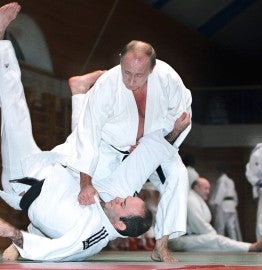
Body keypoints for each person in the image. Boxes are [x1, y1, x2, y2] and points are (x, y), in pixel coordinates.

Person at [0, 3, 188, 261]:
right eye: (128, 197)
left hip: (24, 181)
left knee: (14, 113)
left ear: (120, 224)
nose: (122, 197)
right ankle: (75, 88)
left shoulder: (93, 235)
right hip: (57, 166)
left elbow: (62, 251)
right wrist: (174, 131)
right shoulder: (116, 193)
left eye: (124, 203)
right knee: (86, 140)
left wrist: (14, 234)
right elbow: (145, 155)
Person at [68, 35, 192, 263]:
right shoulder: (108, 84)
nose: (132, 80)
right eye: (127, 72)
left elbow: (182, 118)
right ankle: (34, 236)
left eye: (139, 75)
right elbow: (88, 133)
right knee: (78, 184)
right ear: (120, 62)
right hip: (110, 146)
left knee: (178, 174)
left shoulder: (168, 79)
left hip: (155, 141)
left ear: (152, 69)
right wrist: (85, 181)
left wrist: (164, 138)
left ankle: (162, 244)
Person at [168, 177, 262, 252]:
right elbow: (198, 224)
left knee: (215, 246)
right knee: (216, 240)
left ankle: (248, 247)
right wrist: (213, 235)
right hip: (179, 241)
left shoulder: (195, 198)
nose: (208, 192)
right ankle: (250, 247)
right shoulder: (191, 199)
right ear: (196, 187)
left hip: (187, 239)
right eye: (206, 188)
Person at [210, 165, 242, 241]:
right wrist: (235, 204)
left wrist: (216, 203)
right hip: (232, 205)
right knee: (231, 226)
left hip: (223, 204)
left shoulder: (222, 180)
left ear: (220, 172)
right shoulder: (231, 181)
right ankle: (235, 243)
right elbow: (234, 194)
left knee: (221, 226)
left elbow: (221, 191)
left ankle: (220, 243)